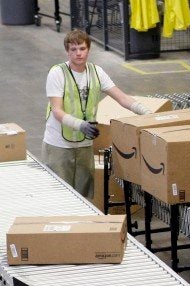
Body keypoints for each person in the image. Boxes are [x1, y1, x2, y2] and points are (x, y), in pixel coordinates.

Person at [43, 29, 153, 198]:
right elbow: (57, 110)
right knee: (59, 195)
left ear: (88, 49)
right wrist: (80, 125)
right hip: (59, 144)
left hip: (84, 144)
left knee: (83, 196)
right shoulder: (57, 73)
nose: (78, 53)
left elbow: (121, 97)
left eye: (82, 48)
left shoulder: (96, 72)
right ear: (67, 51)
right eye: (74, 49)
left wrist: (146, 112)